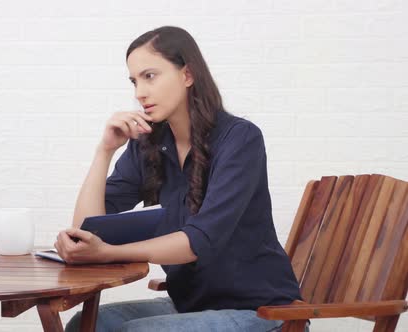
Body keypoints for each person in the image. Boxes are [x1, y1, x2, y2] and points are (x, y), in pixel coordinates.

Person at [55, 26, 304, 332]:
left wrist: (108, 252)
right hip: (191, 306)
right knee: (86, 325)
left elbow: (198, 241)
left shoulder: (239, 139)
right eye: (134, 81)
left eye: (150, 76)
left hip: (262, 311)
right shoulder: (147, 144)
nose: (139, 93)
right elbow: (88, 226)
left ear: (187, 75)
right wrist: (104, 151)